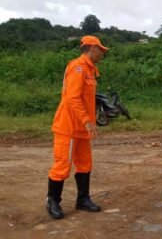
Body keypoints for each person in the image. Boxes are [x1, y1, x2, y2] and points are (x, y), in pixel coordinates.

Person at [46, 35, 108, 219]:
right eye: (101, 50)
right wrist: (87, 121)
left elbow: (86, 99)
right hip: (69, 126)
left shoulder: (90, 70)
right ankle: (53, 200)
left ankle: (83, 199)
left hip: (81, 127)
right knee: (62, 165)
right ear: (91, 48)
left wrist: (90, 121)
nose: (102, 54)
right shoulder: (78, 68)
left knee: (85, 163)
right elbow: (72, 98)